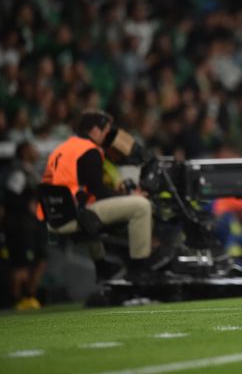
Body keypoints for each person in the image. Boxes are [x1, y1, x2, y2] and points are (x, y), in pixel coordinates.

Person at [41, 110, 154, 281]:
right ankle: (139, 270)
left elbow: (85, 189)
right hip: (75, 215)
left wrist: (118, 194)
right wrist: (130, 195)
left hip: (56, 214)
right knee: (141, 206)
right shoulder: (89, 150)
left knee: (94, 208)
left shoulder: (65, 147)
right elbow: (98, 191)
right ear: (94, 130)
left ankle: (102, 266)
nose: (107, 136)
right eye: (105, 131)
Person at [1, 141, 47, 310]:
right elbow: (10, 196)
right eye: (32, 148)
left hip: (31, 224)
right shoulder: (19, 172)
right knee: (20, 263)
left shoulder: (30, 171)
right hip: (19, 224)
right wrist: (27, 204)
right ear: (25, 152)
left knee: (38, 259)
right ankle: (16, 299)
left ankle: (28, 295)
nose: (36, 151)